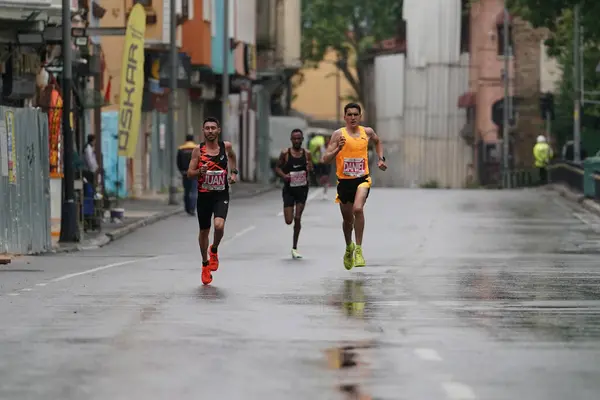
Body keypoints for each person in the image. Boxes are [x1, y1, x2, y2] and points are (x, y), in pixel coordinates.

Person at [322, 103, 387, 270]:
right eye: (349, 114)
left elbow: (378, 142)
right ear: (344, 117)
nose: (352, 117)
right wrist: (338, 148)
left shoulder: (368, 132)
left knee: (358, 209)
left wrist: (381, 159)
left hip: (362, 179)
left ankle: (359, 249)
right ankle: (349, 246)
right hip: (344, 182)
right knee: (347, 221)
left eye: (355, 114)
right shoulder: (338, 135)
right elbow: (325, 159)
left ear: (360, 116)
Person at [187, 117, 239, 285]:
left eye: (213, 128)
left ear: (219, 130)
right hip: (204, 195)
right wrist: (199, 172)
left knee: (219, 225)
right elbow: (189, 173)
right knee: (204, 231)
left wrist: (234, 173)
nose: (210, 131)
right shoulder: (198, 150)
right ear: (203, 131)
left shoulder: (226, 147)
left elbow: (232, 157)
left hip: (221, 194)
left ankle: (214, 249)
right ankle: (204, 264)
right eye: (207, 128)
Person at [274, 129, 313, 259]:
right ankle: (294, 246)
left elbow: (311, 169)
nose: (297, 141)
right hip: (289, 190)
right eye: (294, 139)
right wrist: (284, 176)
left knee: (297, 218)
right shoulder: (285, 153)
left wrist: (309, 168)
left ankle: (294, 247)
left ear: (302, 139)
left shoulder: (307, 154)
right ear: (291, 140)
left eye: (299, 138)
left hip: (302, 189)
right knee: (289, 220)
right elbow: (277, 168)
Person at [177, 134, 198, 215]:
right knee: (194, 191)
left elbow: (178, 162)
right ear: (193, 140)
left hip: (185, 173)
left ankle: (187, 208)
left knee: (186, 191)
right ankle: (192, 208)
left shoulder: (181, 148)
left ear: (186, 140)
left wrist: (181, 171)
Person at [308, 132, 330, 199]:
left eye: (328, 140)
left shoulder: (330, 147)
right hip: (321, 163)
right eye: (325, 140)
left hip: (328, 164)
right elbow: (314, 153)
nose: (327, 141)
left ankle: (325, 192)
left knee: (326, 178)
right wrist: (318, 158)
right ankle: (323, 182)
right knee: (321, 177)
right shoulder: (320, 146)